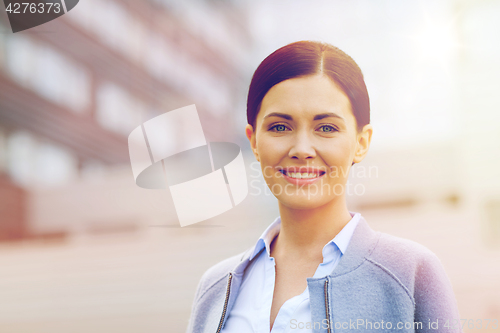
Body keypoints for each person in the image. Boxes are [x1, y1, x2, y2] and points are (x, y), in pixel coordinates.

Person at [186, 40, 462, 333]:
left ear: (361, 142)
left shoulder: (411, 273)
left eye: (326, 128)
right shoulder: (215, 288)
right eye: (280, 127)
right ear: (254, 141)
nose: (302, 149)